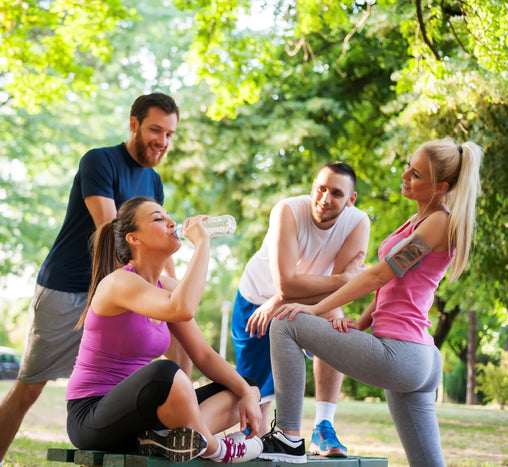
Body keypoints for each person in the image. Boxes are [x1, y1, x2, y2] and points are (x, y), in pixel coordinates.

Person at [0, 92, 191, 467]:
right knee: (28, 388)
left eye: (170, 134)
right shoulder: (100, 161)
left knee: (177, 339)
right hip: (68, 289)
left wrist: (175, 297)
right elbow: (111, 235)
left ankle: (182, 424)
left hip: (122, 294)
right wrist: (157, 296)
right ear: (134, 124)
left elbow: (159, 249)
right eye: (155, 130)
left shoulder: (153, 182)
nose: (163, 141)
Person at [258, 138, 482, 465]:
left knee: (285, 323)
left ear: (440, 187)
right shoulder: (420, 220)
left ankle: (288, 438)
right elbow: (393, 291)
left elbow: (377, 277)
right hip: (417, 356)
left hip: (401, 354)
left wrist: (314, 308)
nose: (405, 175)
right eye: (409, 165)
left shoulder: (438, 223)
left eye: (416, 174)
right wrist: (359, 324)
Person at [65, 196, 263, 463]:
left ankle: (169, 440)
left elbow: (204, 355)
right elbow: (182, 308)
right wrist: (203, 243)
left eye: (169, 216)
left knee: (243, 386)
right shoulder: (118, 282)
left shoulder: (166, 287)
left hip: (143, 420)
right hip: (93, 416)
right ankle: (217, 448)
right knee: (165, 373)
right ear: (134, 238)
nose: (172, 222)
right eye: (158, 219)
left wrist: (248, 394)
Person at [231, 162, 370, 457]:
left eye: (336, 193)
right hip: (257, 302)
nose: (325, 198)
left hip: (301, 303)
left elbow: (338, 294)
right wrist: (344, 279)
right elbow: (288, 284)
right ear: (312, 187)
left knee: (335, 321)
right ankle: (255, 442)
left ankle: (323, 426)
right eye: (321, 188)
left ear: (351, 199)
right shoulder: (288, 211)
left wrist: (288, 296)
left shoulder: (357, 223)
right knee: (253, 405)